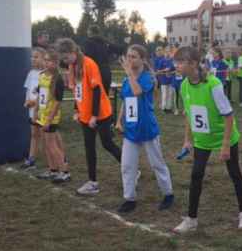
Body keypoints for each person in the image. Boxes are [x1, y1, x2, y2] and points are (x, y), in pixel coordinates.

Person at [172, 46, 242, 234]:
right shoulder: (184, 85)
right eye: (176, 62)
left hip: (224, 136)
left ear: (193, 64)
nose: (177, 66)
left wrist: (225, 145)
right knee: (196, 175)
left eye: (180, 62)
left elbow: (229, 116)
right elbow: (189, 114)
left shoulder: (213, 84)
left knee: (235, 173)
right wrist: (187, 140)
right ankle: (191, 219)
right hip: (202, 139)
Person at [56, 38, 122, 196]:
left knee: (107, 144)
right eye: (63, 59)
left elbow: (97, 90)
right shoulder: (72, 66)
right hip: (85, 114)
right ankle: (93, 183)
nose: (65, 61)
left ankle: (131, 168)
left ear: (73, 51)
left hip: (101, 112)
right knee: (89, 147)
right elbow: (76, 90)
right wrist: (76, 109)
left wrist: (94, 115)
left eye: (66, 57)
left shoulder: (89, 64)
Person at [115, 45, 174, 213]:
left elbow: (137, 92)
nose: (129, 60)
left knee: (157, 164)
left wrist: (130, 74)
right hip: (131, 130)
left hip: (147, 128)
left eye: (133, 57)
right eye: (128, 56)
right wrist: (119, 121)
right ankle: (129, 198)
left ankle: (168, 194)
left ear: (142, 59)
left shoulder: (148, 78)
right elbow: (126, 101)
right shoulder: (126, 80)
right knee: (127, 166)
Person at [36, 50, 71, 183]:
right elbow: (40, 95)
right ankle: (53, 170)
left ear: (56, 63)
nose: (46, 63)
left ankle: (65, 172)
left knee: (52, 145)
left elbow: (57, 102)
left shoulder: (58, 80)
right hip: (42, 115)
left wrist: (49, 120)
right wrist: (36, 111)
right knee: (46, 144)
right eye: (45, 60)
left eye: (49, 61)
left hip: (51, 117)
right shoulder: (42, 75)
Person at [21, 47, 46, 170]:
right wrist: (27, 101)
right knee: (34, 134)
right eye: (32, 57)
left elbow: (45, 94)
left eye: (36, 57)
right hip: (32, 110)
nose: (33, 59)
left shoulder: (46, 74)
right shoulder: (31, 73)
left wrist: (34, 102)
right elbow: (28, 90)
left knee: (46, 136)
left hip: (42, 110)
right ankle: (31, 159)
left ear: (43, 58)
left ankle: (57, 160)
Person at [154, 46, 176, 113]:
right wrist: (164, 70)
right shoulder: (162, 61)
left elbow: (175, 70)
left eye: (169, 52)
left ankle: (168, 108)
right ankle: (163, 108)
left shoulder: (172, 61)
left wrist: (171, 72)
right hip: (163, 81)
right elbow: (157, 71)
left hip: (171, 80)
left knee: (170, 95)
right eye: (166, 52)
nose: (167, 53)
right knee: (164, 95)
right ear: (164, 52)